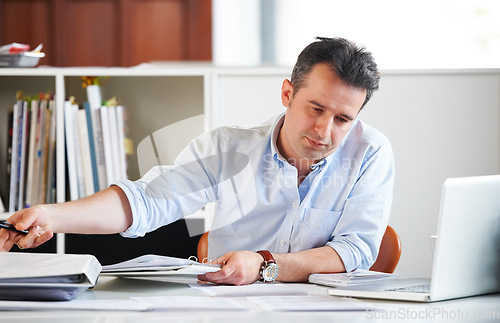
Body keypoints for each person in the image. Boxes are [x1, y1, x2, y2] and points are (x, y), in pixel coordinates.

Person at [0, 37, 394, 286]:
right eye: (316, 108)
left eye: (343, 119)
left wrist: (264, 265)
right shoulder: (228, 147)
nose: (325, 131)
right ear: (287, 93)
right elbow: (147, 201)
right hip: (229, 308)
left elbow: (355, 250)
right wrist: (51, 215)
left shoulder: (370, 152)